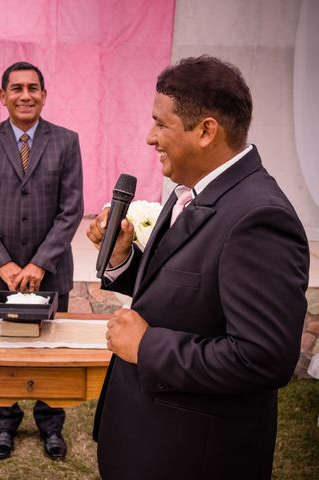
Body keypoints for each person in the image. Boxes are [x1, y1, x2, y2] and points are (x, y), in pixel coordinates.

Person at [87, 55, 309, 479]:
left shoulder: (258, 217)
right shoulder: (190, 190)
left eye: (161, 124)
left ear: (207, 130)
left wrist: (147, 347)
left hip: (193, 457)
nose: (150, 138)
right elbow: (187, 293)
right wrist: (122, 257)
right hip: (149, 438)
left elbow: (264, 358)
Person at [0, 61, 84, 460]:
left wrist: (39, 264)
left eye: (33, 87)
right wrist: (3, 264)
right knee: (4, 352)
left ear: (44, 95)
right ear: (3, 96)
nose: (25, 95)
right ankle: (5, 422)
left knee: (51, 351)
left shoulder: (66, 142)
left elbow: (71, 210)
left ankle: (52, 426)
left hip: (51, 273)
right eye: (16, 88)